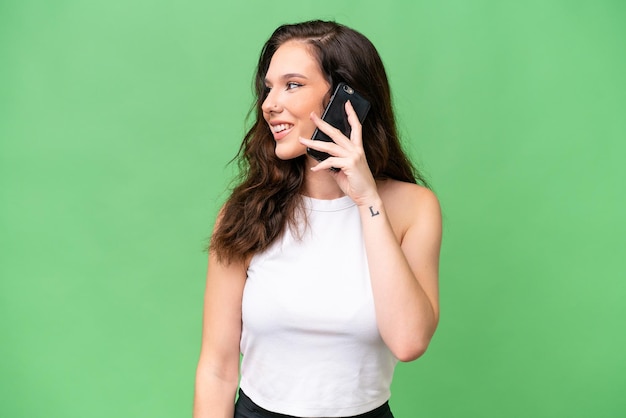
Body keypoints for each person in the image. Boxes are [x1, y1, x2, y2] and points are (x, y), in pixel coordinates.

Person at [193, 20, 442, 418]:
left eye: (292, 84)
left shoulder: (413, 208)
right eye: (269, 87)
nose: (270, 104)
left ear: (346, 100)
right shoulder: (244, 213)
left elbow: (409, 341)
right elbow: (217, 369)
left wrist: (365, 200)